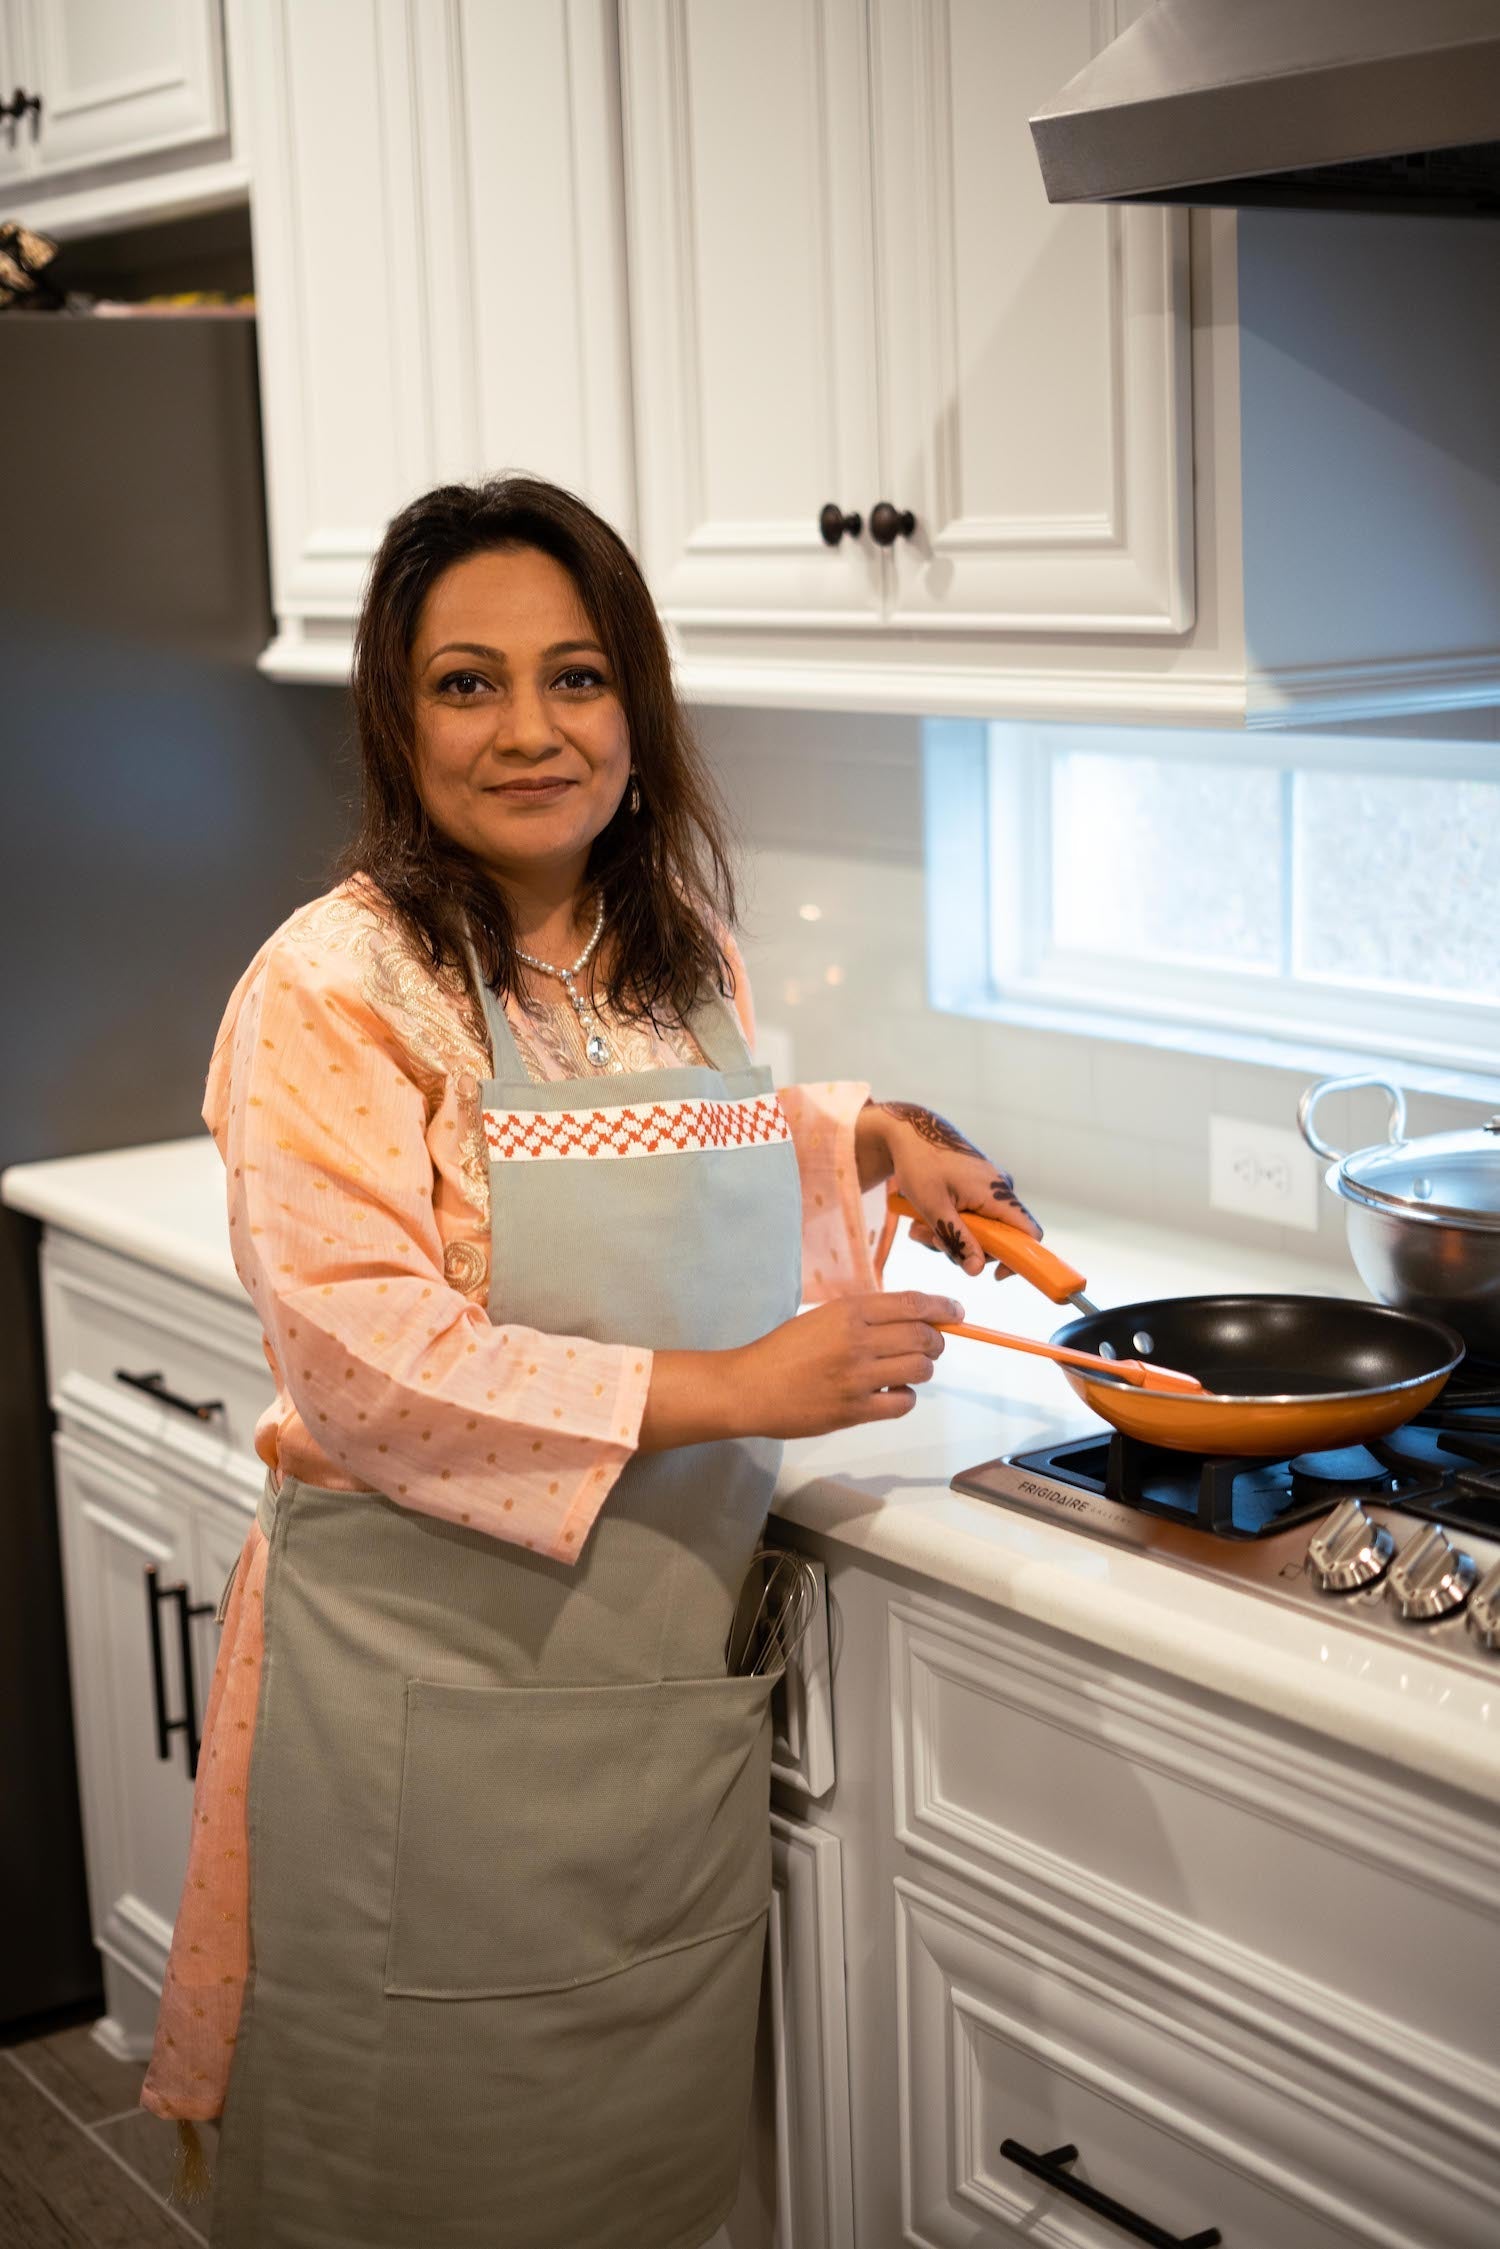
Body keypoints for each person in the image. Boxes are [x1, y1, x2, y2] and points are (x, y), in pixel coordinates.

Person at [140, 475, 1039, 2248]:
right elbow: (371, 1362)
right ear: (398, 717)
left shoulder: (674, 952)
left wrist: (874, 1140)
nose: (531, 729)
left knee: (627, 2193)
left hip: (643, 1718)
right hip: (421, 1712)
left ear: (636, 698)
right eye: (467, 683)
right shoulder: (333, 985)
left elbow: (697, 1136)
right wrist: (742, 1387)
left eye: (576, 675)